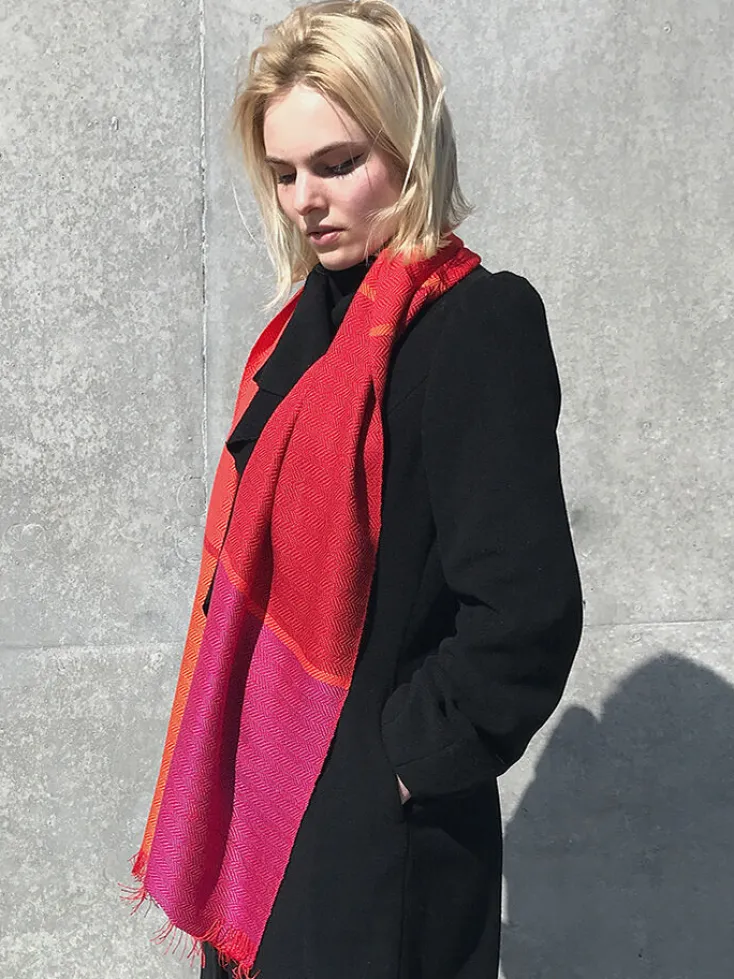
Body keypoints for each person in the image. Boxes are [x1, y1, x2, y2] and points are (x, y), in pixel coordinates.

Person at [121, 3, 583, 979]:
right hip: (265, 817)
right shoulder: (302, 332)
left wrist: (399, 767)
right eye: (284, 172)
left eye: (336, 164)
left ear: (408, 144)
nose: (304, 200)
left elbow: (523, 611)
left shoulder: (475, 326)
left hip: (375, 849)